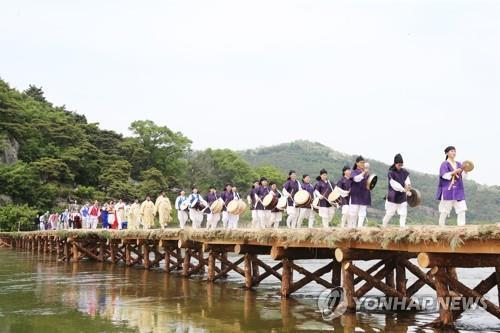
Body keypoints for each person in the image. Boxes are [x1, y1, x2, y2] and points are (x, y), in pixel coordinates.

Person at [436, 146, 468, 226]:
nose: (453, 153)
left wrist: (466, 171)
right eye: (451, 151)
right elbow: (444, 175)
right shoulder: (444, 164)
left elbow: (463, 176)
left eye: (454, 151)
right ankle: (441, 226)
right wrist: (454, 172)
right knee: (445, 210)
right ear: (447, 153)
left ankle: (461, 226)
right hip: (448, 190)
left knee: (462, 209)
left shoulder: (459, 164)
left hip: (458, 189)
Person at [382, 154, 411, 228]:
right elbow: (394, 184)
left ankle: (402, 227)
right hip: (393, 195)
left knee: (403, 212)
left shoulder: (404, 172)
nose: (400, 166)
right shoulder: (391, 172)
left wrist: (408, 186)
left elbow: (407, 180)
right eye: (399, 165)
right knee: (390, 213)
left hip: (402, 196)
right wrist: (403, 189)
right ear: (395, 163)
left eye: (401, 165)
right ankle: (384, 225)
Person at [348, 156, 372, 228]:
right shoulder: (354, 172)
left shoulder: (366, 173)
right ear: (357, 163)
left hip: (364, 194)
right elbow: (356, 179)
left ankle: (360, 227)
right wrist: (363, 173)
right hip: (355, 194)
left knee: (362, 212)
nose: (363, 164)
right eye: (361, 162)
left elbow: (370, 183)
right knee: (353, 212)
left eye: (363, 162)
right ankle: (351, 227)